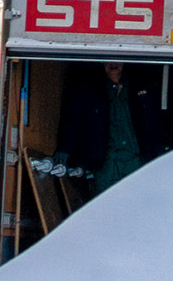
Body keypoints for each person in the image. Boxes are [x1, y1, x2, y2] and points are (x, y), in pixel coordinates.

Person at [61, 62, 161, 196]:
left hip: (135, 161)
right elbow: (75, 122)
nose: (113, 64)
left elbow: (154, 124)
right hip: (105, 164)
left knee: (137, 204)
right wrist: (65, 149)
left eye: (117, 59)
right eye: (108, 60)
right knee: (105, 206)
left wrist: (159, 156)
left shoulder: (140, 87)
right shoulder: (92, 90)